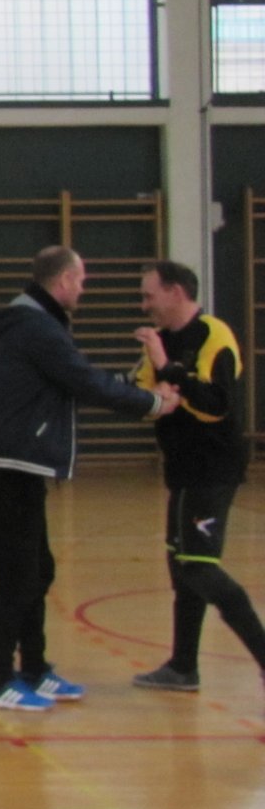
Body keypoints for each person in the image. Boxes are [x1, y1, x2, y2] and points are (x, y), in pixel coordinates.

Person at [0, 245, 175, 711]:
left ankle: (34, 669)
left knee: (38, 569)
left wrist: (131, 384)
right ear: (62, 281)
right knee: (16, 574)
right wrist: (153, 404)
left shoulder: (37, 322)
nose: (83, 288)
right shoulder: (37, 327)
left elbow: (74, 379)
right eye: (80, 280)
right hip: (7, 464)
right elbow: (84, 382)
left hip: (19, 462)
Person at [128, 260, 265, 696]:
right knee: (183, 568)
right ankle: (183, 667)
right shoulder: (160, 340)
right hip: (182, 469)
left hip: (213, 467)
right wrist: (159, 391)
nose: (144, 304)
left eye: (149, 295)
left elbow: (215, 406)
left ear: (175, 292)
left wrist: (169, 372)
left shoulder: (213, 335)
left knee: (200, 568)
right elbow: (144, 394)